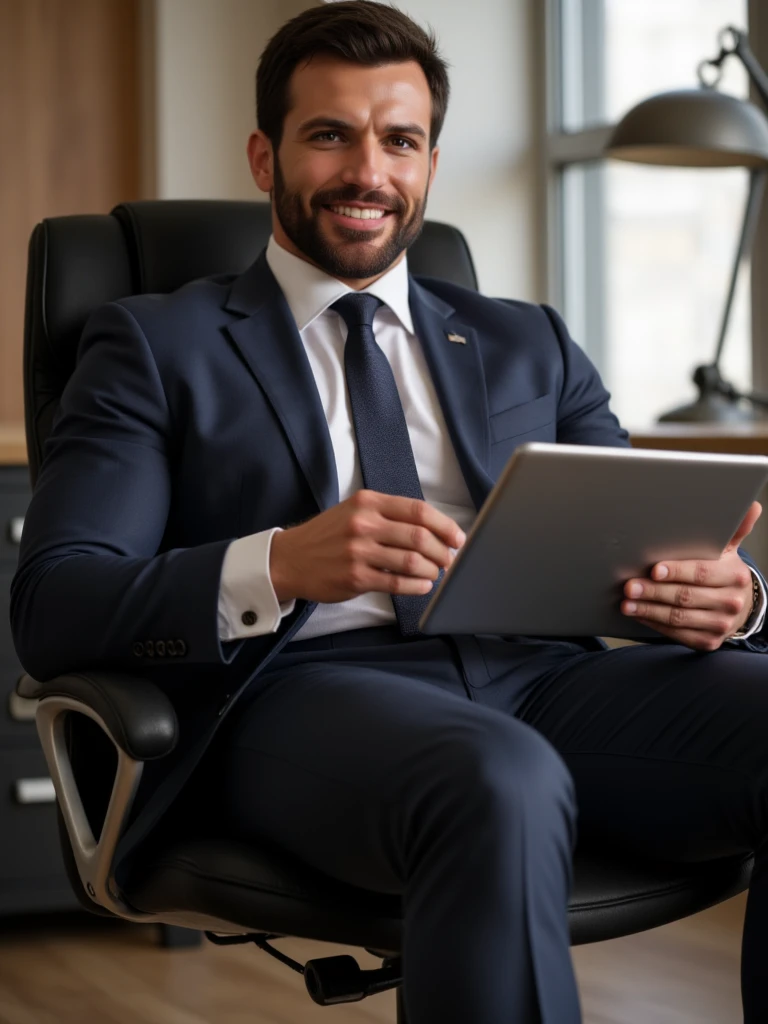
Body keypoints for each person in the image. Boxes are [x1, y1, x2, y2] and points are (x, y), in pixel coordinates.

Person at [10, 2, 768, 1021]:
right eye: (330, 134)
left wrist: (728, 596)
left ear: (429, 163)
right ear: (264, 155)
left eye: (399, 139)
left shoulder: (528, 341)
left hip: (541, 679)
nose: (369, 170)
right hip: (300, 696)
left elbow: (637, 541)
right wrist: (277, 563)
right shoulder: (155, 345)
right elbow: (58, 602)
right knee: (496, 778)